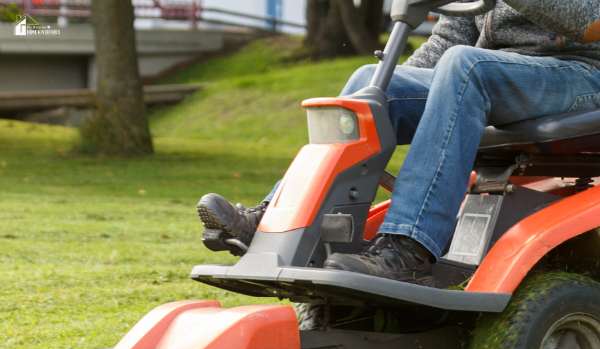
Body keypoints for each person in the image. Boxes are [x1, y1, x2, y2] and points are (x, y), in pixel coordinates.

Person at [198, 0, 600, 287]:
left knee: (466, 65)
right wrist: (389, 86)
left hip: (581, 75)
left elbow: (590, 22)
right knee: (369, 83)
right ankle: (276, 221)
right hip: (499, 74)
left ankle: (408, 250)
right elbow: (450, 37)